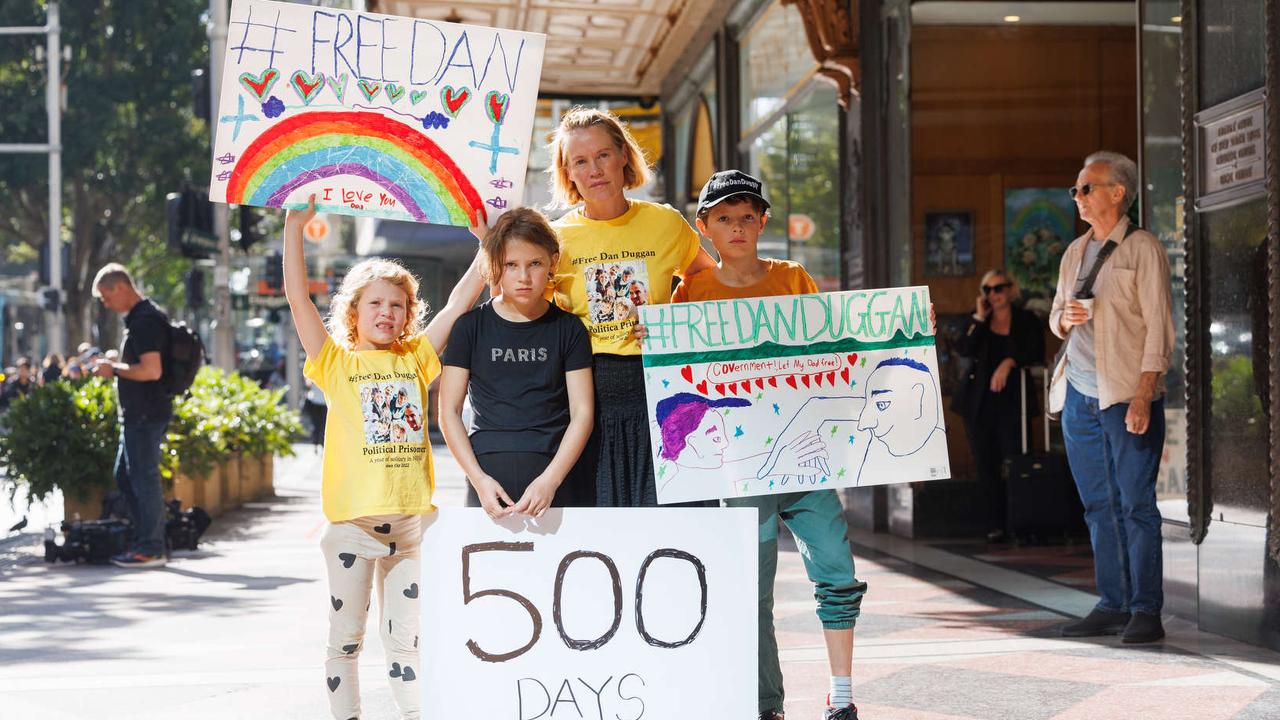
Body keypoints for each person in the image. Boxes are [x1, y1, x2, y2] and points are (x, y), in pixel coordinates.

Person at [668, 170, 867, 720]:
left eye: (747, 217)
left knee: (837, 569)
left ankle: (842, 694)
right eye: (725, 219)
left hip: (803, 458)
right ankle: (765, 704)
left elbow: (830, 348)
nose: (737, 228)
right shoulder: (692, 291)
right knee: (752, 587)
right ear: (704, 227)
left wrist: (908, 332)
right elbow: (679, 375)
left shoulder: (792, 277)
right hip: (740, 467)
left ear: (763, 222)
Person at [284, 195, 485, 720]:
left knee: (407, 645)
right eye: (375, 304)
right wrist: (293, 229)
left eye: (397, 305)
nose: (387, 313)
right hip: (352, 529)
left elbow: (459, 303)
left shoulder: (417, 358)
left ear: (407, 314)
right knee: (346, 642)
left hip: (411, 528)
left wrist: (486, 245)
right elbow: (298, 300)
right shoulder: (333, 362)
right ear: (354, 311)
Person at [548, 106, 717, 506]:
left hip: (661, 384)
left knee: (669, 511)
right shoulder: (555, 238)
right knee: (603, 513)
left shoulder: (665, 223)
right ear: (568, 172)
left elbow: (708, 281)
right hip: (588, 391)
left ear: (624, 155)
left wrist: (673, 321)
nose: (595, 170)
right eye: (581, 162)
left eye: (603, 155)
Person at [1049, 151, 1174, 644]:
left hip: (1126, 395)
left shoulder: (1143, 249)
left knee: (1136, 505)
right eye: (1076, 189)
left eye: (1086, 188)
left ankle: (1146, 610)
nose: (1077, 197)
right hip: (1079, 396)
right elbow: (1056, 315)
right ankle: (1111, 602)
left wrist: (1144, 395)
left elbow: (1159, 331)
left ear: (1117, 193)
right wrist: (1067, 319)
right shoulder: (1074, 252)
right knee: (1098, 506)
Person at [440, 208, 594, 519]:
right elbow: (449, 412)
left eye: (534, 263)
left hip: (557, 476)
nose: (523, 277)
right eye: (511, 265)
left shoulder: (569, 329)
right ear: (495, 266)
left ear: (552, 261)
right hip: (488, 476)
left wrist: (551, 480)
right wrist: (478, 479)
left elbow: (583, 413)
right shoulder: (469, 328)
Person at [952, 269, 1045, 543]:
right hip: (979, 404)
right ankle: (996, 524)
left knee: (1017, 461)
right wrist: (979, 317)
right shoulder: (978, 319)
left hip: (1014, 402)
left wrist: (1009, 361)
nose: (993, 294)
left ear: (1011, 289)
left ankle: (1021, 521)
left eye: (999, 288)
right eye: (987, 289)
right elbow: (963, 348)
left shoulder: (1026, 319)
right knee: (987, 465)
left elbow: (1036, 351)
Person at [90, 265, 173, 568]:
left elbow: (152, 370)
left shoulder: (144, 321)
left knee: (143, 479)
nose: (105, 303)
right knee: (126, 477)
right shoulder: (144, 318)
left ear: (120, 287)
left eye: (104, 296)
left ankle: (151, 548)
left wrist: (113, 369)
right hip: (141, 414)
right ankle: (147, 541)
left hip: (145, 414)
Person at [302, 378, 327, 451]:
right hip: (316, 402)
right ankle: (316, 445)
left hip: (321, 403)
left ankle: (319, 445)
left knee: (321, 425)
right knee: (318, 425)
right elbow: (308, 384)